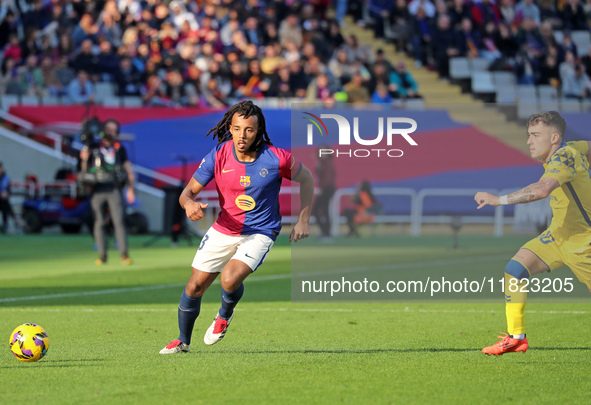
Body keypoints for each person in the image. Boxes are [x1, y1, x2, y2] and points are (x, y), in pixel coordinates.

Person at [160, 101, 314, 354]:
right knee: (194, 286)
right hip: (224, 228)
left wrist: (303, 219)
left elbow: (307, 178)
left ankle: (224, 314)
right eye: (237, 128)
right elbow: (187, 192)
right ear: (230, 128)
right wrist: (188, 204)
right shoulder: (219, 155)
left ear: (259, 130)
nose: (242, 135)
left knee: (229, 279)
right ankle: (183, 341)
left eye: (249, 130)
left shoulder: (277, 158)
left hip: (260, 231)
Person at [474, 111, 591, 355]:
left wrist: (499, 200)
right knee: (515, 269)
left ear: (555, 137)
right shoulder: (574, 149)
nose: (529, 141)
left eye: (536, 135)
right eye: (529, 135)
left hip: (584, 244)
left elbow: (540, 190)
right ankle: (516, 337)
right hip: (558, 236)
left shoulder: (564, 156)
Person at [79, 119, 135, 265]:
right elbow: (84, 166)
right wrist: (84, 158)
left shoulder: (119, 149)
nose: (110, 132)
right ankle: (102, 254)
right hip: (97, 188)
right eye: (108, 129)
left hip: (114, 188)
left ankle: (124, 253)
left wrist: (130, 188)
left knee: (118, 221)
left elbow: (128, 169)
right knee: (98, 222)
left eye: (113, 130)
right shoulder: (94, 146)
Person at [312, 148, 336, 241]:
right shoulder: (322, 163)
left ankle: (326, 233)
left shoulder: (326, 164)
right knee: (323, 211)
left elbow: (327, 178)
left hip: (326, 189)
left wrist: (322, 187)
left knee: (319, 210)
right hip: (326, 189)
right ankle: (326, 233)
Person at [0, 162, 17, 233]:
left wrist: (6, 194)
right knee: (6, 205)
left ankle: (5, 224)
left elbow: (9, 190)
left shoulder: (6, 178)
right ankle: (15, 219)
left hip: (3, 200)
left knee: (5, 205)